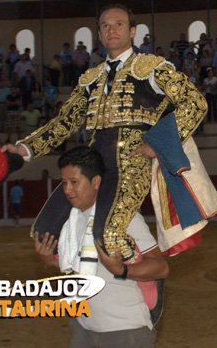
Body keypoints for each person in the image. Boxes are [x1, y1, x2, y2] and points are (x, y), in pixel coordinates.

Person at [2, 3, 207, 264]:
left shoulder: (152, 67)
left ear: (133, 31)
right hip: (91, 164)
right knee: (45, 233)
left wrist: (159, 143)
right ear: (99, 35)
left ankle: (149, 279)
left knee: (108, 236)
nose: (112, 29)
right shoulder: (90, 77)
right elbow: (64, 122)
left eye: (119, 24)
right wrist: (24, 149)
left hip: (131, 164)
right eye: (105, 26)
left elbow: (195, 102)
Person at [34, 146, 168, 347]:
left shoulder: (124, 219)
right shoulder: (71, 220)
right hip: (83, 327)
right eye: (64, 183)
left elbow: (161, 268)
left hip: (125, 331)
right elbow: (84, 270)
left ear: (95, 182)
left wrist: (122, 270)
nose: (67, 190)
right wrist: (51, 261)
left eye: (74, 182)